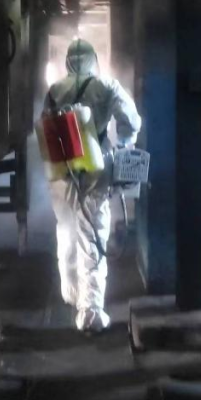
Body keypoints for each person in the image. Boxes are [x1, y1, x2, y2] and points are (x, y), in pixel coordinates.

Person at [45, 38, 141, 332]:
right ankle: (90, 313)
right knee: (92, 236)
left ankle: (71, 293)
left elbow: (46, 128)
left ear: (68, 62)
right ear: (93, 60)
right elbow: (131, 120)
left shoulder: (54, 90)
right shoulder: (105, 86)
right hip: (94, 168)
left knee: (66, 229)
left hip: (61, 170)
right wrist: (123, 143)